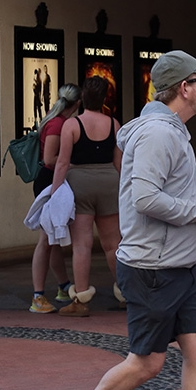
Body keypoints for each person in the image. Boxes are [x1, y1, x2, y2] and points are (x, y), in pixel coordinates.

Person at [50, 50, 196, 390]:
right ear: (184, 88)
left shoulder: (170, 130)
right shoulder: (157, 133)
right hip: (154, 269)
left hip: (181, 267)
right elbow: (145, 198)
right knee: (147, 363)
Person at [52, 76, 123, 317]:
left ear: (82, 98)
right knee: (113, 244)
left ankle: (80, 299)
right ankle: (125, 291)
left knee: (81, 244)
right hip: (109, 184)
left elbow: (62, 162)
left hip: (79, 183)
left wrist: (55, 192)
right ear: (104, 99)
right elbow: (118, 162)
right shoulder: (114, 125)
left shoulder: (71, 125)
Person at [29, 83, 81, 313]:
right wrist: (73, 159)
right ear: (77, 103)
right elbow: (50, 158)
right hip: (50, 182)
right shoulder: (58, 124)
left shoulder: (54, 121)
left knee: (53, 239)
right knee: (45, 240)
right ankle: (37, 296)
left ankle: (62, 285)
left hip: (51, 181)